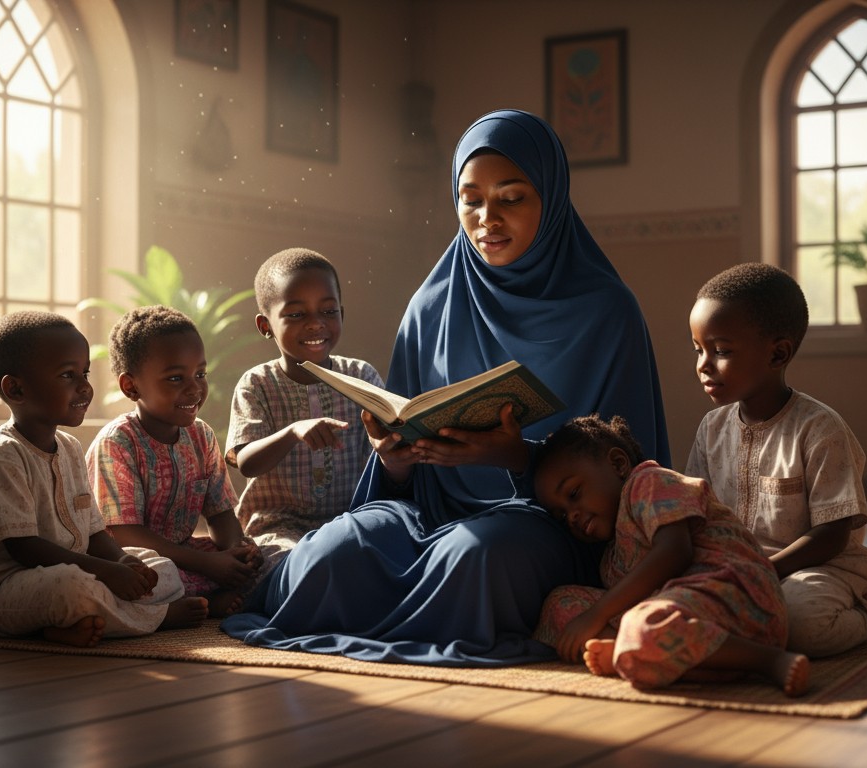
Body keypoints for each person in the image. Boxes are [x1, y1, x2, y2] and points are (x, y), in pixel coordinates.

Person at [220, 109, 670, 666]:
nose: (487, 218)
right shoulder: (432, 305)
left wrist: (517, 458)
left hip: (544, 519)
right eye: (470, 199)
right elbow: (400, 448)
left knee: (474, 559)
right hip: (428, 505)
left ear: (550, 199)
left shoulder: (606, 312)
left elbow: (625, 467)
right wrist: (395, 455)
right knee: (332, 553)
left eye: (512, 198)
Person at [0, 311, 207, 648]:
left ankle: (63, 627)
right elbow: (24, 549)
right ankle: (158, 618)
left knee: (160, 568)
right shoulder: (2, 457)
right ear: (16, 388)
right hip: (0, 594)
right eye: (68, 375)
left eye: (84, 373)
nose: (84, 386)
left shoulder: (68, 448)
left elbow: (94, 532)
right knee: (71, 587)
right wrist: (106, 572)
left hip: (76, 569)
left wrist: (122, 562)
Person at [684, 262, 867, 658]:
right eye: (698, 349)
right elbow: (698, 514)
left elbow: (832, 535)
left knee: (800, 626)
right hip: (740, 570)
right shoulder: (711, 429)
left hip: (821, 567)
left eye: (720, 351)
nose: (703, 364)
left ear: (778, 353)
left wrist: (763, 573)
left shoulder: (820, 429)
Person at [531, 415, 809, 697]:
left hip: (736, 598)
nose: (573, 516)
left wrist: (597, 614)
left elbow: (675, 552)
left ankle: (767, 660)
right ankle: (632, 653)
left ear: (617, 464)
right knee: (560, 603)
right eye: (561, 515)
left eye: (574, 493)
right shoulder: (611, 556)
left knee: (640, 625)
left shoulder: (648, 482)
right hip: (677, 617)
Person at [86, 305, 262, 617]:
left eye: (200, 374)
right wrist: (209, 565)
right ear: (131, 386)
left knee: (265, 558)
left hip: (187, 553)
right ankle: (170, 613)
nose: (194, 388)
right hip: (129, 558)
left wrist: (235, 552)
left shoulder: (201, 437)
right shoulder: (117, 443)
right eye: (176, 378)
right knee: (151, 576)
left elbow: (220, 514)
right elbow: (124, 534)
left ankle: (210, 596)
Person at [225, 247, 385, 572]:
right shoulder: (256, 384)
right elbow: (246, 462)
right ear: (265, 324)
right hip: (279, 526)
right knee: (288, 564)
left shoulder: (362, 376)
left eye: (328, 312)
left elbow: (385, 453)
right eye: (296, 315)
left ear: (342, 313)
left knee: (387, 548)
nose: (315, 324)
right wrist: (292, 431)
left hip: (350, 517)